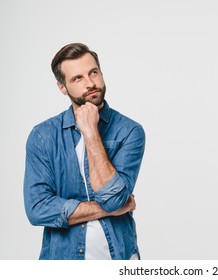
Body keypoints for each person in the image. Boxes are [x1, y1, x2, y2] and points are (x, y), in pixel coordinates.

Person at [23, 43, 146, 260]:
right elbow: (38, 209)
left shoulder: (130, 131)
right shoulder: (43, 136)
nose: (90, 83)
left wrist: (91, 133)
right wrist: (107, 209)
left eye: (93, 73)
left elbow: (115, 199)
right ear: (62, 87)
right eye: (77, 78)